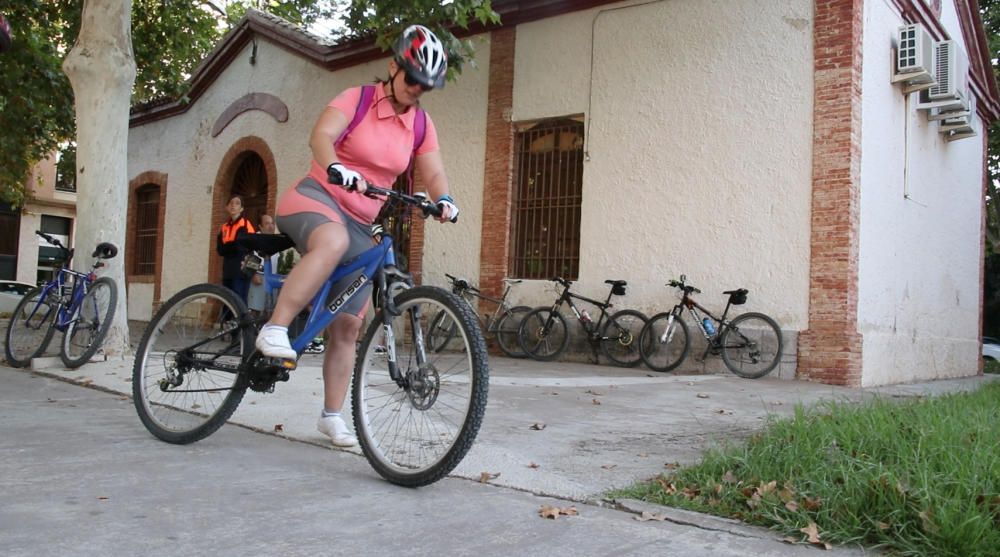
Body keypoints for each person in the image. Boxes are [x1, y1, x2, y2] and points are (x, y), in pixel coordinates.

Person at [255, 25, 459, 448]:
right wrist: (335, 166)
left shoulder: (420, 124)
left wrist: (444, 199)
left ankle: (332, 417)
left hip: (361, 222)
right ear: (393, 66)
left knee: (349, 325)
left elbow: (433, 172)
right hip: (314, 198)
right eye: (412, 79)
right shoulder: (358, 99)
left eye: (426, 86)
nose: (417, 90)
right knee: (333, 241)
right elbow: (322, 136)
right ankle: (274, 328)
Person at [216, 194, 257, 304]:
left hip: (241, 268)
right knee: (227, 299)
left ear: (242, 208)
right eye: (231, 203)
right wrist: (232, 245)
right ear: (227, 207)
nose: (233, 205)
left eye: (237, 203)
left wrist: (228, 247)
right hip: (228, 268)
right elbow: (220, 250)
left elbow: (241, 247)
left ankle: (240, 321)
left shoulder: (245, 224)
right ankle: (227, 321)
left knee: (239, 300)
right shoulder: (224, 227)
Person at [246, 214, 280, 315]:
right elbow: (248, 256)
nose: (271, 226)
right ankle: (251, 331)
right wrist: (253, 274)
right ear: (260, 227)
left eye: (272, 223)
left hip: (272, 279)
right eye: (267, 223)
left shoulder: (276, 241)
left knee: (269, 312)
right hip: (259, 278)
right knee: (255, 311)